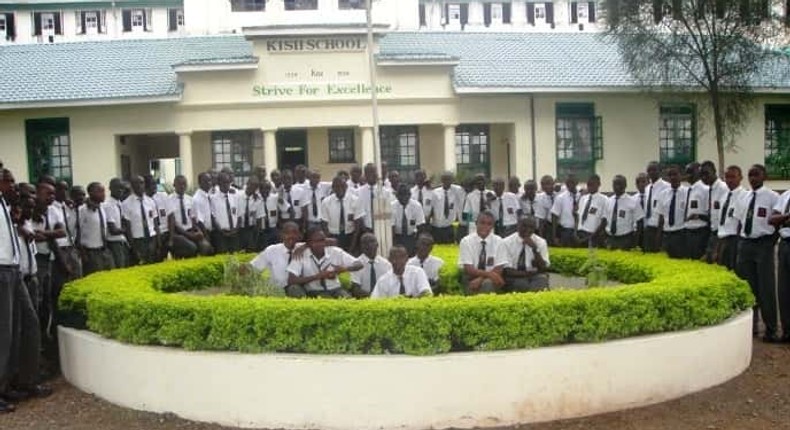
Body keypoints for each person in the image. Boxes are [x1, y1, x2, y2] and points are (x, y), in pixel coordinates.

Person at [0, 168, 50, 413]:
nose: (11, 185)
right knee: (5, 332)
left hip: (14, 271)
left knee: (26, 325)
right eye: (7, 181)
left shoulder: (9, 209)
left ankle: (23, 381)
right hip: (3, 270)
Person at [735, 164, 779, 342]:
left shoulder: (773, 197)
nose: (753, 178)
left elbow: (777, 224)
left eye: (756, 175)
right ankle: (751, 326)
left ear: (764, 176)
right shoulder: (744, 196)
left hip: (763, 245)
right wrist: (740, 240)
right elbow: (740, 220)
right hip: (746, 244)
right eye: (750, 175)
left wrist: (770, 242)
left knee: (766, 287)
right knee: (748, 286)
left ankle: (771, 328)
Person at [286, 226, 362, 299]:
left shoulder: (335, 251)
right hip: (314, 291)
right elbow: (291, 280)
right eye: (316, 241)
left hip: (336, 289)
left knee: (348, 301)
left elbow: (359, 264)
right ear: (308, 243)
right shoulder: (301, 254)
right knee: (327, 300)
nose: (321, 244)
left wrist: (344, 269)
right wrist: (317, 276)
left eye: (323, 240)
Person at [249, 222, 307, 298]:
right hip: (277, 293)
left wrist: (307, 245)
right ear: (281, 235)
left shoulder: (304, 248)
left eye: (295, 233)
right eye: (287, 233)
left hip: (299, 291)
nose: (291, 236)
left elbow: (325, 241)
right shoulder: (272, 250)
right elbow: (253, 267)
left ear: (300, 235)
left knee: (295, 289)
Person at [496, 217, 549, 292]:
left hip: (535, 276)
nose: (528, 229)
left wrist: (535, 249)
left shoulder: (541, 242)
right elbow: (507, 271)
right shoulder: (506, 242)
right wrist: (528, 274)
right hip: (515, 277)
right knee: (521, 284)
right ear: (518, 225)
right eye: (524, 226)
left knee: (541, 281)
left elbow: (543, 268)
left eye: (531, 227)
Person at [458, 211, 505, 295]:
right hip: (471, 277)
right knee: (484, 285)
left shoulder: (499, 241)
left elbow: (499, 268)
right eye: (482, 223)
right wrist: (489, 274)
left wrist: (481, 278)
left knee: (488, 284)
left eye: (489, 224)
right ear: (476, 223)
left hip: (491, 278)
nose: (485, 226)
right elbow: (469, 269)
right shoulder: (466, 241)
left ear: (493, 226)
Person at [168, 175, 212, 259]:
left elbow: (193, 220)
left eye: (184, 184)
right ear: (174, 185)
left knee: (206, 247)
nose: (182, 186)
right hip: (178, 233)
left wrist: (199, 232)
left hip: (190, 231)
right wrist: (189, 235)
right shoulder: (169, 200)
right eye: (180, 184)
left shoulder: (190, 200)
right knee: (191, 248)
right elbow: (173, 224)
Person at [76, 182, 114, 275]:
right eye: (100, 191)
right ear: (91, 193)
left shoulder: (102, 208)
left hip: (104, 249)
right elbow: (77, 231)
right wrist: (83, 253)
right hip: (91, 252)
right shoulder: (83, 210)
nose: (103, 194)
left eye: (104, 191)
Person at [122, 176, 159, 264]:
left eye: (142, 183)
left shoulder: (150, 201)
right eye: (136, 184)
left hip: (151, 238)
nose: (139, 186)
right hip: (138, 240)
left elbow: (155, 223)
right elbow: (128, 228)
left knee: (152, 264)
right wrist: (133, 247)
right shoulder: (126, 204)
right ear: (132, 186)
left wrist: (158, 242)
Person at [320, 176, 364, 252]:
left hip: (350, 236)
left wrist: (352, 246)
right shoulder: (326, 202)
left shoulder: (355, 200)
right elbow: (324, 224)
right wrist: (330, 241)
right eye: (337, 186)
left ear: (346, 187)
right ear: (333, 188)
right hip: (333, 236)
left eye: (342, 186)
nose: (340, 188)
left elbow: (357, 226)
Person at [770, 179, 790, 342]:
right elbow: (772, 218)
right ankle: (787, 331)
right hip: (784, 245)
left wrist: (782, 219)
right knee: (783, 290)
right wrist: (787, 217)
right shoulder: (785, 196)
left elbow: (779, 219)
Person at [715, 165, 745, 271]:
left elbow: (741, 222)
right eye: (727, 177)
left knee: (735, 271)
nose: (729, 180)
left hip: (735, 240)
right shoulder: (724, 196)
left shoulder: (744, 196)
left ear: (740, 177)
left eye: (733, 177)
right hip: (722, 239)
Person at [656, 166, 688, 259]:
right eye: (670, 175)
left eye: (675, 174)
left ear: (680, 175)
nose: (673, 177)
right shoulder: (663, 194)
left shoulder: (687, 192)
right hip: (667, 235)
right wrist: (658, 238)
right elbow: (661, 218)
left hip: (681, 234)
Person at [604, 175, 644, 251]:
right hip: (610, 239)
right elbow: (605, 220)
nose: (617, 186)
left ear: (625, 185)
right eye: (614, 184)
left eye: (619, 184)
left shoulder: (633, 201)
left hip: (625, 239)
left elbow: (640, 222)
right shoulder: (608, 201)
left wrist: (635, 242)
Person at [702, 161, 729, 264]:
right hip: (712, 232)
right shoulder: (710, 189)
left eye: (706, 173)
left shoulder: (723, 188)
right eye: (702, 175)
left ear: (714, 171)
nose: (704, 177)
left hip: (721, 234)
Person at [350, 233, 392, 298]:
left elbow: (391, 285)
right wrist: (373, 297)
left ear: (377, 244)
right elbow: (355, 289)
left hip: (384, 300)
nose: (369, 245)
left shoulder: (386, 264)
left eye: (372, 241)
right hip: (363, 300)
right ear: (361, 246)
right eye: (365, 242)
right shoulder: (355, 264)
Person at [683, 162, 710, 260]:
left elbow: (710, 214)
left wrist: (698, 216)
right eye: (686, 173)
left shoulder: (705, 190)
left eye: (690, 172)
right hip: (688, 232)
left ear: (699, 172)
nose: (687, 175)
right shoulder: (687, 190)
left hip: (700, 233)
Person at [209, 171, 240, 254]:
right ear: (219, 183)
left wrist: (236, 229)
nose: (227, 185)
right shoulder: (213, 199)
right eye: (224, 182)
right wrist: (221, 231)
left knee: (235, 258)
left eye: (228, 182)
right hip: (221, 234)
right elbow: (213, 217)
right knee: (223, 258)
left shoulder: (235, 196)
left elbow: (239, 214)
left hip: (234, 233)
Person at [643, 161, 670, 252]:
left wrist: (659, 233)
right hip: (648, 228)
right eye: (649, 170)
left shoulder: (666, 187)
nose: (651, 172)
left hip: (660, 229)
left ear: (660, 171)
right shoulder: (647, 188)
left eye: (654, 170)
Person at [392, 184, 425, 256]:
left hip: (412, 237)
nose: (403, 198)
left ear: (409, 195)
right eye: (400, 195)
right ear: (396, 196)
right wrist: (394, 245)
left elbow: (421, 226)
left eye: (405, 195)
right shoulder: (392, 206)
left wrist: (417, 244)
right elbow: (392, 228)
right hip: (398, 238)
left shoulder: (417, 206)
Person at [103, 178, 130, 269]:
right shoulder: (108, 205)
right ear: (110, 188)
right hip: (114, 243)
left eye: (122, 188)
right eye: (117, 187)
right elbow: (113, 230)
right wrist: (126, 229)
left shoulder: (119, 203)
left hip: (122, 241)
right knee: (119, 269)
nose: (120, 190)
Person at [431, 171, 464, 244]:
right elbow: (431, 208)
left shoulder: (457, 190)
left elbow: (465, 187)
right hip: (436, 227)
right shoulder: (435, 192)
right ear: (442, 180)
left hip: (449, 227)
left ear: (452, 180)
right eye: (445, 179)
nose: (447, 181)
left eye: (449, 179)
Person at [575, 175, 608, 248]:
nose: (590, 187)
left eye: (592, 184)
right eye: (588, 184)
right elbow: (578, 217)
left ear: (599, 184)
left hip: (593, 235)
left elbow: (604, 221)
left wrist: (592, 237)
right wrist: (575, 233)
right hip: (580, 234)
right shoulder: (583, 198)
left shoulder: (604, 200)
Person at [358, 163, 392, 233]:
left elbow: (388, 211)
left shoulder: (385, 192)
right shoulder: (358, 192)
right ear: (364, 175)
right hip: (364, 229)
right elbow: (358, 213)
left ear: (377, 174)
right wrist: (364, 228)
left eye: (373, 172)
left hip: (381, 228)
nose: (370, 175)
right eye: (368, 172)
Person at [257, 180, 288, 250]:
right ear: (259, 189)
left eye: (267, 188)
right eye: (262, 188)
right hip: (261, 231)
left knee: (275, 250)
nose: (265, 190)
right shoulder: (256, 199)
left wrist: (281, 199)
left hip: (273, 229)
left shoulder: (275, 197)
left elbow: (285, 208)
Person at [144, 175, 169, 262]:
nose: (155, 186)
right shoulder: (144, 201)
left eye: (155, 184)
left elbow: (171, 214)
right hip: (153, 234)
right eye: (152, 184)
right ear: (145, 186)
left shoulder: (163, 196)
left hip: (166, 232)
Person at [551, 174, 580, 247]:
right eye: (568, 182)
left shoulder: (582, 197)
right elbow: (554, 217)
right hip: (565, 231)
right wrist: (554, 236)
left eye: (572, 182)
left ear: (577, 182)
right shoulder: (560, 198)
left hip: (579, 232)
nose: (570, 184)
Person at [237, 177, 260, 253]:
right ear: (247, 184)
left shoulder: (257, 199)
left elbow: (258, 217)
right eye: (251, 185)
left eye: (255, 186)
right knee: (239, 250)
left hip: (251, 229)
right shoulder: (238, 195)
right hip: (239, 229)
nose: (252, 187)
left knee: (250, 250)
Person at [535, 175, 556, 245]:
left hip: (561, 226)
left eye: (548, 183)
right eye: (543, 184)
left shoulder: (560, 194)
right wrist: (541, 238)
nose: (546, 186)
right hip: (549, 226)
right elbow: (541, 219)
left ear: (553, 183)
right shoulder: (540, 198)